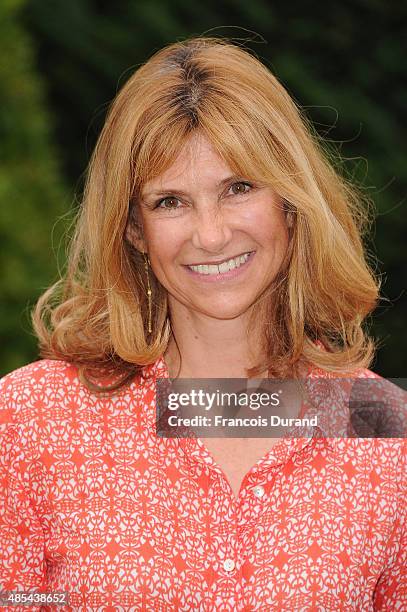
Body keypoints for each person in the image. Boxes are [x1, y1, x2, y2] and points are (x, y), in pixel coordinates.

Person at [0, 35, 405, 611]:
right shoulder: (32, 418)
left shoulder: (384, 425)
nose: (211, 234)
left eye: (238, 188)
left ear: (289, 203)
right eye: (170, 201)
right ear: (134, 230)